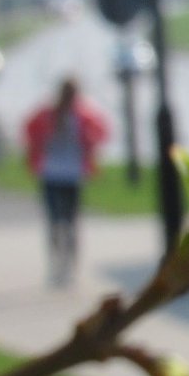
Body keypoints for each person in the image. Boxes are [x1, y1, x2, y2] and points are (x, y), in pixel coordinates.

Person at [23, 78, 108, 285]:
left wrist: (89, 143)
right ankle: (57, 263)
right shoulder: (48, 115)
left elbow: (101, 132)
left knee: (69, 222)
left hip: (71, 174)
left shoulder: (82, 116)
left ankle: (69, 265)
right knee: (56, 222)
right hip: (52, 173)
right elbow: (30, 131)